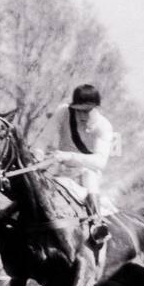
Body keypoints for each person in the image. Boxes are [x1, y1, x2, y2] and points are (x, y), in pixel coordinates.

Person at [46, 83, 114, 219]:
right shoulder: (63, 112)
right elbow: (44, 138)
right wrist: (38, 154)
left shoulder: (104, 126)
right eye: (78, 110)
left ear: (96, 108)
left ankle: (96, 223)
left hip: (86, 174)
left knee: (90, 179)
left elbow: (100, 162)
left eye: (87, 111)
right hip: (59, 170)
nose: (82, 115)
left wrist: (67, 156)